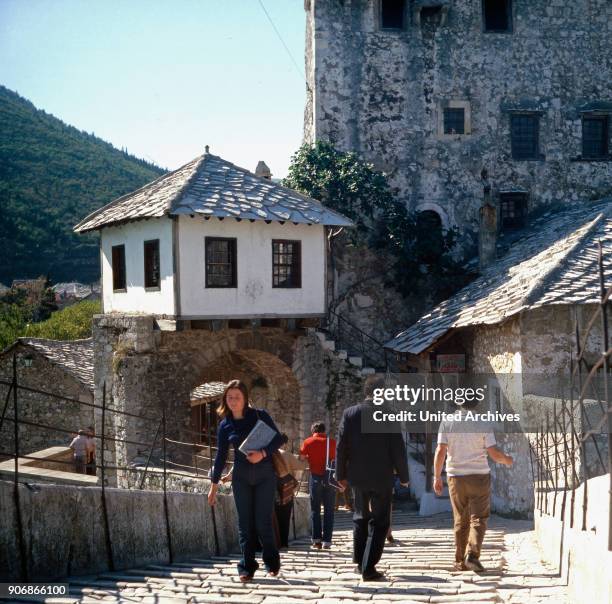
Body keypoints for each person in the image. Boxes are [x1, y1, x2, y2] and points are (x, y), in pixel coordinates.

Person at [207, 379, 284, 582]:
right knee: (244, 524)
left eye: (237, 397)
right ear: (225, 399)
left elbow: (279, 439)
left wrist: (263, 453)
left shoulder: (260, 415)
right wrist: (213, 487)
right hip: (241, 477)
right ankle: (246, 567)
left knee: (263, 521)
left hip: (265, 474)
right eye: (229, 397)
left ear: (245, 399)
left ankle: (272, 563)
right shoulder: (225, 425)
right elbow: (220, 456)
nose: (233, 401)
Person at [336, 376, 409, 581]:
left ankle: (359, 563)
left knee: (360, 517)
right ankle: (368, 568)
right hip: (382, 477)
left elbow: (342, 447)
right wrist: (404, 476)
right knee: (381, 521)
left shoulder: (350, 413)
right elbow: (398, 449)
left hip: (357, 477)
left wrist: (340, 475)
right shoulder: (389, 414)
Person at [433, 402, 513, 572]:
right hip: (480, 477)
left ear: (458, 404)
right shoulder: (483, 423)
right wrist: (507, 460)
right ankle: (473, 555)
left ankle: (460, 561)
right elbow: (493, 453)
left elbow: (440, 451)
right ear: (476, 403)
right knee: (479, 518)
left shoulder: (447, 422)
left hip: (456, 477)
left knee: (460, 518)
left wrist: (437, 476)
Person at [300, 421, 337, 549]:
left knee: (315, 510)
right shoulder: (332, 443)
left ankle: (316, 540)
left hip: (315, 478)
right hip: (330, 480)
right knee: (329, 510)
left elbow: (302, 457)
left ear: (313, 431)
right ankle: (327, 541)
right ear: (324, 430)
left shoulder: (308, 442)